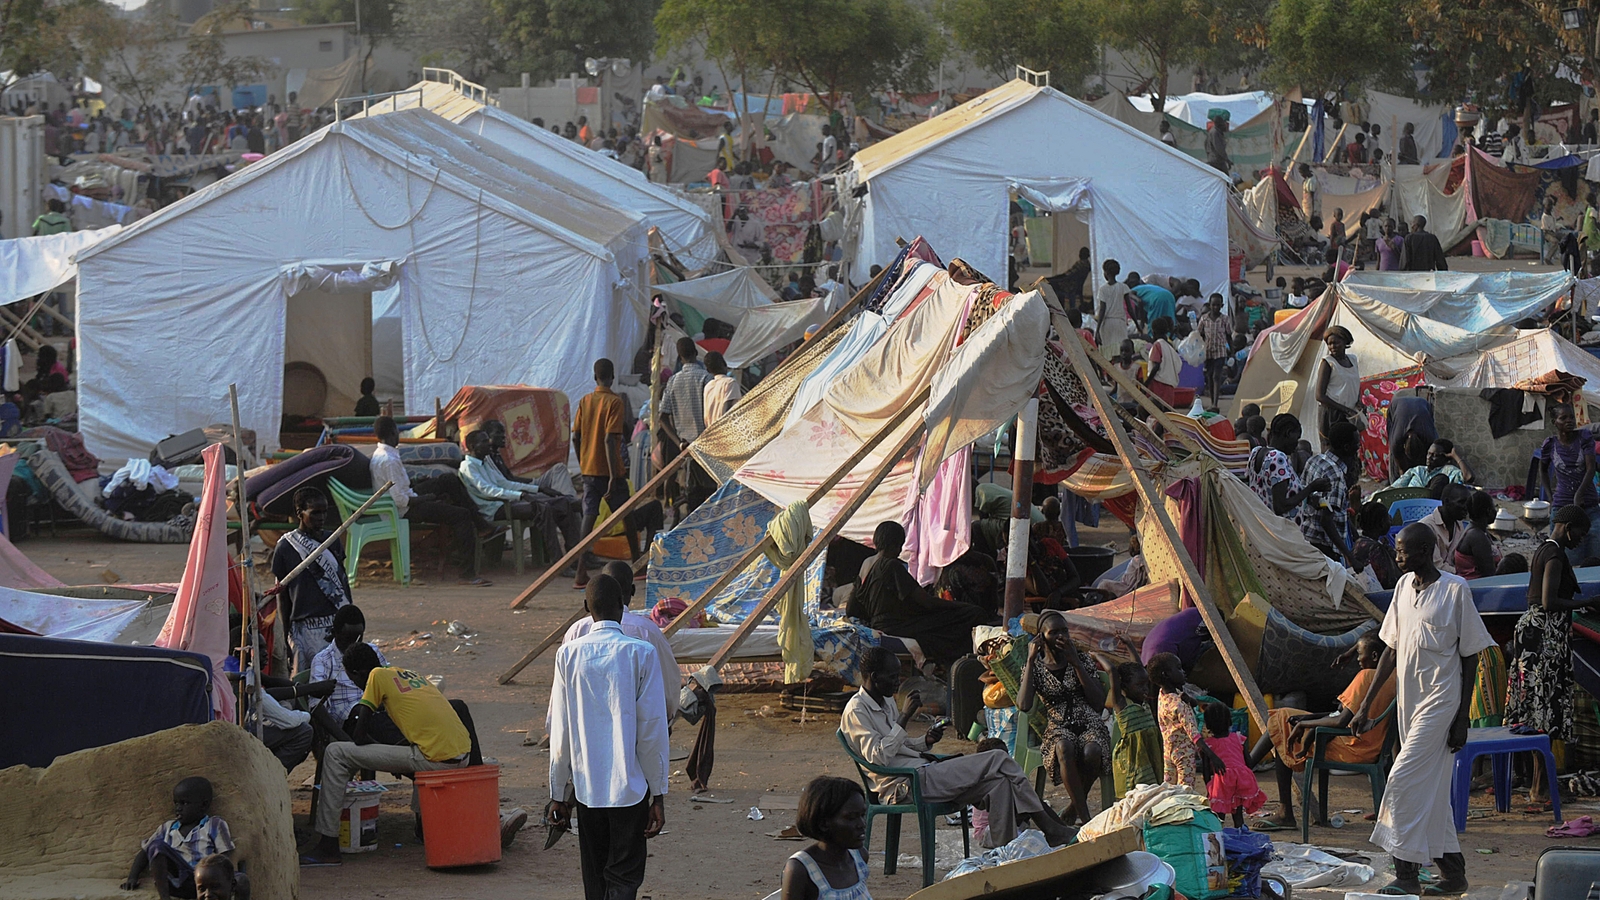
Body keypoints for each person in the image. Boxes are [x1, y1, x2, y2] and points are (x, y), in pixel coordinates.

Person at [1352, 523, 1493, 897]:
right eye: (1397, 551)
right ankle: (1453, 874)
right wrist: (1365, 705)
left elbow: (1471, 657)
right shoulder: (1401, 588)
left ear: (1428, 549)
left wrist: (1461, 719)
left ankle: (1407, 875)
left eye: (1405, 551)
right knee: (1429, 792)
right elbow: (1391, 650)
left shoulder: (1454, 590)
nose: (1399, 558)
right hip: (1409, 704)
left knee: (1402, 781)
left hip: (1441, 703)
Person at [840, 646, 1074, 848]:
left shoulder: (884, 700)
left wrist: (925, 741)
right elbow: (878, 757)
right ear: (873, 676)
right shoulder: (857, 711)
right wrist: (904, 716)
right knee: (996, 758)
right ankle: (1049, 826)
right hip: (905, 783)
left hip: (924, 772)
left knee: (1000, 784)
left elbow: (897, 743)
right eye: (892, 677)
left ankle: (1008, 852)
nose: (897, 682)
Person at [548, 573, 669, 900]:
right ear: (623, 605)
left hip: (588, 789)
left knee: (595, 877)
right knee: (624, 878)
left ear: (587, 607)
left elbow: (560, 731)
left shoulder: (568, 655)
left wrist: (558, 792)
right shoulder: (641, 653)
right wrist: (658, 794)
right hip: (630, 790)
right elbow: (652, 730)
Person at [304, 643, 474, 865]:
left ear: (357, 673)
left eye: (353, 679)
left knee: (336, 752)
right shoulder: (407, 674)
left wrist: (381, 753)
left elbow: (359, 735)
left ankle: (328, 845)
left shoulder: (375, 676)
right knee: (416, 749)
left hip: (435, 761)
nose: (356, 685)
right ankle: (424, 826)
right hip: (462, 755)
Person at [1249, 632, 1396, 830]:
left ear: (1375, 656)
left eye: (1360, 654)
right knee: (1287, 721)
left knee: (1281, 722)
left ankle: (1281, 807)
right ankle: (1249, 764)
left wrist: (1306, 724)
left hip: (1348, 747)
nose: (1358, 660)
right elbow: (1340, 714)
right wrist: (1308, 719)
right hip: (1371, 748)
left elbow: (1342, 720)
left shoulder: (1366, 677)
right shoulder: (1394, 677)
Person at [1506, 505, 1600, 802]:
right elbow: (1548, 602)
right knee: (1546, 710)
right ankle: (1541, 788)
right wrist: (1586, 604)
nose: (1579, 542)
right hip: (1544, 636)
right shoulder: (1556, 555)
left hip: (1536, 634)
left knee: (1539, 711)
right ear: (1568, 528)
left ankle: (1540, 785)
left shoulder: (1544, 549)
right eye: (1579, 535)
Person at [847, 522, 995, 666]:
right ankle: (961, 665)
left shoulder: (866, 564)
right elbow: (926, 602)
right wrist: (960, 606)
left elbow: (851, 608)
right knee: (972, 614)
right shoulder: (891, 565)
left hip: (881, 623)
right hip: (896, 626)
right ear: (896, 544)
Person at [371, 416, 492, 586]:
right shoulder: (389, 461)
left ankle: (481, 524)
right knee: (461, 516)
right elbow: (401, 500)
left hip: (407, 496)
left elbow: (399, 487)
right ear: (393, 433)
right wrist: (427, 498)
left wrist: (420, 485)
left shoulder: (382, 454)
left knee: (448, 480)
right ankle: (467, 574)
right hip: (404, 510)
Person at [1017, 610, 1111, 824]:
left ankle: (1073, 809)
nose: (1062, 637)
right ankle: (1085, 816)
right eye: (1054, 633)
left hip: (1089, 722)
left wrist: (1076, 663)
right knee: (1064, 747)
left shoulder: (1082, 660)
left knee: (1092, 751)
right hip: (1058, 725)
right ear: (1042, 637)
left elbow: (1097, 703)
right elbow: (1023, 705)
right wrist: (1031, 661)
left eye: (1065, 631)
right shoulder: (1036, 669)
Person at [561, 562, 680, 722]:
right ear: (630, 591)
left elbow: (562, 694)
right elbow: (668, 684)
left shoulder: (575, 632)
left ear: (587, 604)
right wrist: (666, 720)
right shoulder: (647, 632)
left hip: (584, 725)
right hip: (637, 726)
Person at [269, 488, 351, 674]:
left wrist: (350, 618)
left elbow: (342, 583)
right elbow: (282, 595)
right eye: (315, 513)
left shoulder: (332, 540)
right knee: (305, 681)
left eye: (324, 512)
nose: (321, 517)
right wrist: (286, 636)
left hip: (335, 623)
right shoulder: (286, 547)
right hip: (304, 628)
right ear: (300, 513)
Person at [124, 777, 246, 900]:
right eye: (176, 803)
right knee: (155, 845)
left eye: (184, 803)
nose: (178, 808)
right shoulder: (167, 828)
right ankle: (165, 898)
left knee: (242, 880)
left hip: (207, 880)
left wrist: (224, 878)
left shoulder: (214, 824)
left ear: (203, 805)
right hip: (178, 882)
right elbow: (146, 852)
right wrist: (132, 877)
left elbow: (224, 856)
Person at [572, 358, 641, 571]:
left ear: (595, 377)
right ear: (612, 378)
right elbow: (610, 439)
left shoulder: (585, 401)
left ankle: (580, 569)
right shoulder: (615, 402)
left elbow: (576, 437)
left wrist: (583, 460)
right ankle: (638, 563)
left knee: (589, 516)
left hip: (589, 470)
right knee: (625, 515)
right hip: (610, 471)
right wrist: (613, 476)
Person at [781, 776, 872, 900]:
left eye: (862, 815)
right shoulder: (801, 870)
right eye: (851, 818)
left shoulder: (859, 858)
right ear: (824, 824)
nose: (862, 824)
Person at [1148, 652, 1225, 794]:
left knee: (1168, 791)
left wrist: (1190, 700)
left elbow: (1189, 706)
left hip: (1168, 752)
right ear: (1166, 674)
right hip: (1185, 755)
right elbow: (1195, 736)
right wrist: (1213, 757)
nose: (1183, 672)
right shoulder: (1179, 705)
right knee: (1185, 793)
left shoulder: (1163, 695)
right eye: (1178, 668)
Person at [1092, 650, 1162, 798]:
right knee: (1136, 794)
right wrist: (1096, 656)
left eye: (1146, 684)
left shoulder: (1144, 702)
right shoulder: (1122, 704)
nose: (1145, 689)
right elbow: (1111, 671)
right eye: (1139, 685)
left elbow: (1139, 667)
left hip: (1150, 754)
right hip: (1133, 759)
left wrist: (1129, 645)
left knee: (1153, 791)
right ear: (1124, 687)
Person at [1539, 403, 1600, 566]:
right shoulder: (1550, 444)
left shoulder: (1584, 438)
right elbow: (1543, 471)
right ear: (1555, 422)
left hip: (1589, 505)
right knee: (1566, 557)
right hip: (1562, 508)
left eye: (1572, 417)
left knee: (1595, 557)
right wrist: (1550, 497)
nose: (1569, 421)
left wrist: (1579, 494)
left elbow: (1590, 468)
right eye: (1563, 417)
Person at [308, 604, 388, 727]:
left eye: (359, 637)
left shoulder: (372, 650)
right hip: (348, 716)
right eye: (348, 638)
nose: (354, 643)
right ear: (335, 633)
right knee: (364, 713)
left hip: (376, 708)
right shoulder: (323, 660)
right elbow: (317, 707)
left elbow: (388, 680)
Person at [1247, 414, 1331, 520]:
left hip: (1263, 523)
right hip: (1280, 531)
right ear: (1288, 433)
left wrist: (1306, 497)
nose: (1296, 444)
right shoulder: (1278, 458)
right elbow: (1280, 507)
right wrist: (1311, 488)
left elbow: (1272, 492)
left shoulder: (1256, 452)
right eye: (1296, 438)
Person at [1301, 421, 1360, 562]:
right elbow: (1326, 520)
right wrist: (1349, 556)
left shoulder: (1315, 460)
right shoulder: (1336, 475)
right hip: (1324, 546)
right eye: (1356, 444)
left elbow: (1307, 497)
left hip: (1306, 536)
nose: (1358, 448)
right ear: (1347, 447)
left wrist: (1356, 537)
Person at [1202, 702, 1265, 827]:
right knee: (1238, 814)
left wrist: (1209, 788)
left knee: (1219, 815)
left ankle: (1220, 841)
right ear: (1230, 721)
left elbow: (1205, 771)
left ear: (1207, 724)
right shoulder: (1238, 738)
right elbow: (1249, 762)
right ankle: (1240, 836)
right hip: (1241, 778)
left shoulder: (1207, 745)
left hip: (1221, 780)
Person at [1315, 326, 1361, 443]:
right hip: (1332, 415)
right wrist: (1345, 410)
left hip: (1349, 414)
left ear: (1345, 342)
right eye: (1329, 344)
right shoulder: (1328, 363)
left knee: (1349, 447)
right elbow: (1320, 396)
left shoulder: (1353, 360)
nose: (1332, 347)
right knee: (1333, 448)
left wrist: (1359, 401)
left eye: (1336, 343)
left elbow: (1354, 383)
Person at [1350, 501, 1402, 590]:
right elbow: (1390, 581)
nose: (1390, 519)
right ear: (1382, 523)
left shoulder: (1360, 542)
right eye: (1388, 517)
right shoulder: (1375, 549)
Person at [1452, 491, 1500, 580]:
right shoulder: (1477, 537)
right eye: (1494, 507)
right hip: (1475, 586)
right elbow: (1489, 574)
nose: (1495, 511)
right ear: (1488, 511)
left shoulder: (1477, 529)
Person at [1392, 439, 1472, 488]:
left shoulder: (1449, 471)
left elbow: (1468, 477)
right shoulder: (1417, 470)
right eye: (1429, 453)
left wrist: (1455, 456)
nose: (1429, 457)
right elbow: (1395, 487)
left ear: (1445, 458)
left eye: (1435, 455)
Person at [1197, 295, 1230, 411]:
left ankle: (1215, 403)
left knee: (1217, 376)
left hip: (1220, 351)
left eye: (1218, 305)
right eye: (1213, 305)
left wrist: (1231, 351)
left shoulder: (1225, 319)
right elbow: (1199, 333)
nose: (1216, 307)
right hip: (1208, 351)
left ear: (1222, 306)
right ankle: (1212, 401)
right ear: (1209, 305)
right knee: (1210, 376)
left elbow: (1229, 335)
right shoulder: (1204, 319)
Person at [1142, 316, 1183, 407]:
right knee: (1166, 413)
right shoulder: (1169, 347)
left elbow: (1156, 366)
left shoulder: (1157, 345)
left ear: (1153, 332)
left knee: (1154, 410)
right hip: (1170, 386)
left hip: (1158, 384)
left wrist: (1147, 382)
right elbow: (1178, 364)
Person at [1095, 260, 1131, 354]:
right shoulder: (1123, 287)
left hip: (1107, 324)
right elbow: (1130, 309)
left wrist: (1097, 330)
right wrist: (1138, 325)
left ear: (1106, 272)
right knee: (1121, 350)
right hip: (1120, 323)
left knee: (1107, 353)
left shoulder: (1103, 290)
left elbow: (1102, 310)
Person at [701, 350, 742, 428]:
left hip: (710, 431)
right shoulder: (730, 383)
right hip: (725, 429)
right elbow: (728, 410)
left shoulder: (708, 386)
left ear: (708, 370)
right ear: (725, 364)